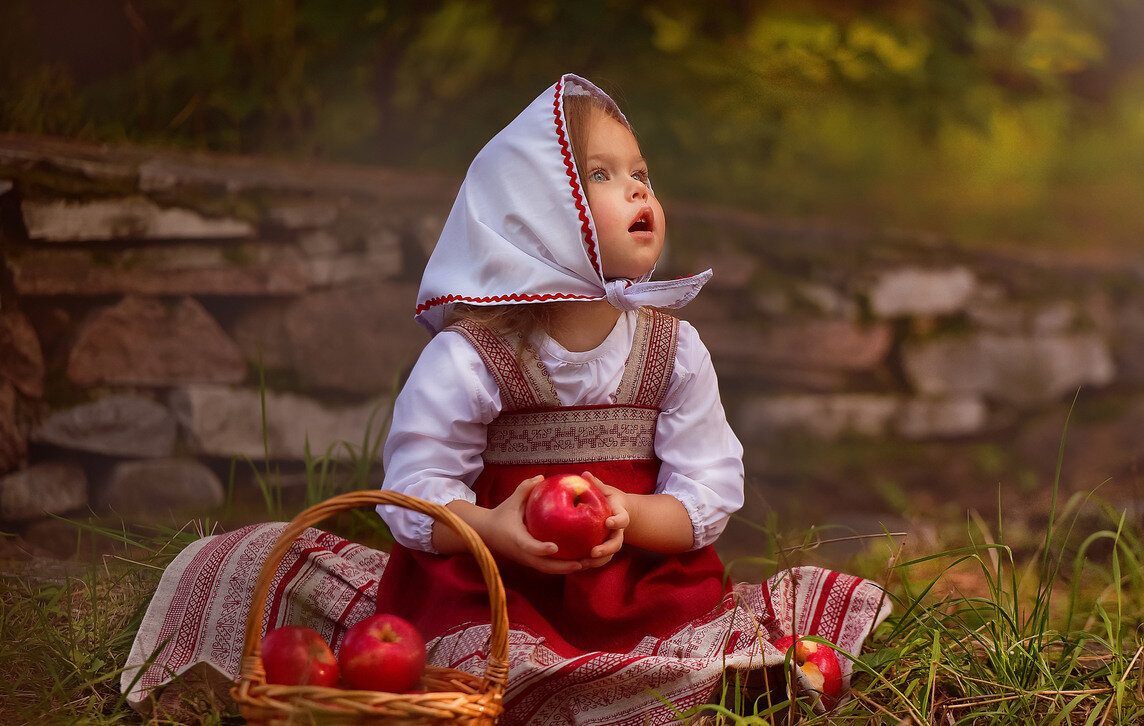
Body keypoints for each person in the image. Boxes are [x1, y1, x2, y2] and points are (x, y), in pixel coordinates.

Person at [121, 74, 890, 726]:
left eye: (641, 172)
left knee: (721, 643)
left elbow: (709, 487)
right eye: (602, 174)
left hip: (637, 595)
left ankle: (631, 681)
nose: (638, 187)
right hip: (498, 594)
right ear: (533, 210)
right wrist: (491, 527)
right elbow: (416, 488)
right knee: (474, 662)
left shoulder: (672, 351)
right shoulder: (475, 356)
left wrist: (630, 520)